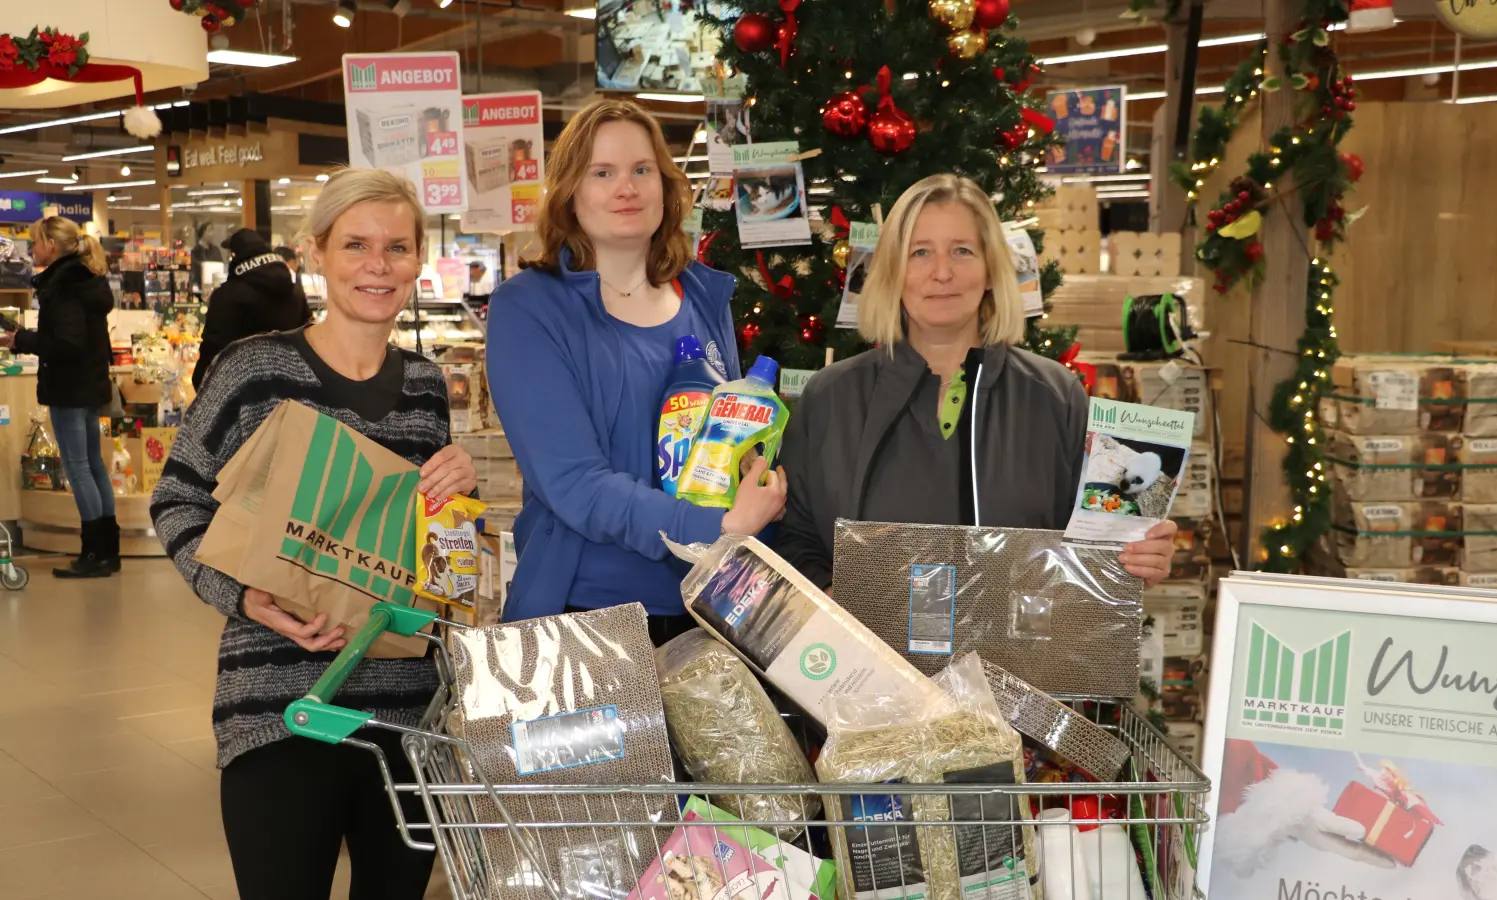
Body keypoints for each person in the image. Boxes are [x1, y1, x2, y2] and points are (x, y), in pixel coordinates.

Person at [151, 169, 477, 900]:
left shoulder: (426, 382)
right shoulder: (255, 368)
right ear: (316, 253)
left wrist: (458, 493)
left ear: (418, 260)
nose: (377, 264)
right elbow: (176, 497)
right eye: (356, 244)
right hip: (277, 702)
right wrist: (240, 593)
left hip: (407, 710)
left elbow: (425, 545)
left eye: (397, 247)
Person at [774, 174, 1177, 588]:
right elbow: (797, 542)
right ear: (893, 272)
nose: (942, 272)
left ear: (990, 270)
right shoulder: (831, 397)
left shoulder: (1055, 397)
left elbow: (1092, 551)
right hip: (859, 652)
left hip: (1014, 654)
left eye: (962, 251)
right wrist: (845, 633)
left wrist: (1134, 559)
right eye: (920, 253)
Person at [487, 97, 787, 638]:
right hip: (587, 618)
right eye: (602, 172)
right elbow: (574, 483)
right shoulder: (529, 308)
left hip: (705, 609)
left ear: (665, 186)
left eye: (641, 170)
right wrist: (716, 527)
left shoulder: (701, 296)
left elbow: (726, 437)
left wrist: (750, 476)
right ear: (571, 192)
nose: (626, 188)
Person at [0, 216, 118, 578]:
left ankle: (93, 554)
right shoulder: (87, 280)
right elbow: (76, 334)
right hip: (89, 382)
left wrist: (20, 340)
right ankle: (107, 551)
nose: (32, 250)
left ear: (51, 244)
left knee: (78, 466)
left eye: (35, 243)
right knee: (94, 464)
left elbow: (66, 343)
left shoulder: (63, 285)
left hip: (69, 385)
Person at [191, 228, 312, 390]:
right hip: (291, 396)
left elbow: (211, 354)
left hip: (241, 400)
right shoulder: (295, 291)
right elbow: (310, 341)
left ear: (236, 256)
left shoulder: (227, 296)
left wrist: (199, 384)